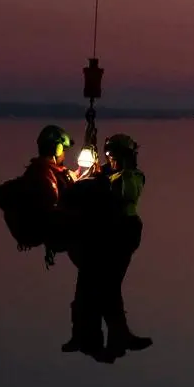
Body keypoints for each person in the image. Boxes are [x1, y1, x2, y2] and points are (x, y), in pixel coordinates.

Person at [59, 132, 151, 359]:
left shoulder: (132, 177)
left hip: (123, 235)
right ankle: (96, 337)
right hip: (105, 234)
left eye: (116, 156)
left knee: (107, 287)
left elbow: (118, 191)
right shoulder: (109, 173)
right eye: (110, 156)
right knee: (94, 286)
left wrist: (97, 181)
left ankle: (112, 339)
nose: (112, 160)